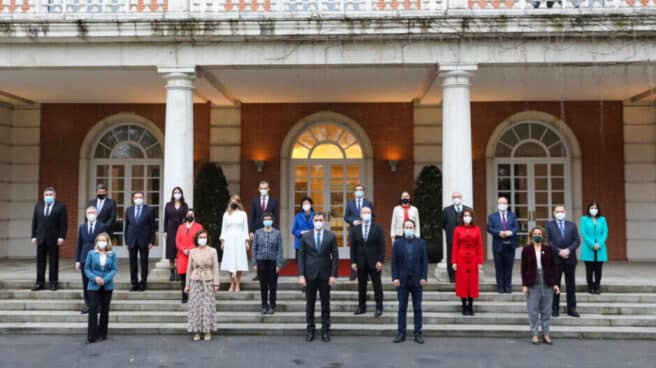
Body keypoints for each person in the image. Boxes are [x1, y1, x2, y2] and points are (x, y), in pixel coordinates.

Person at [298, 212, 338, 343]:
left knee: (325, 304)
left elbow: (335, 257)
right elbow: (301, 256)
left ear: (324, 221)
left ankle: (325, 330)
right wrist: (301, 275)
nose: (318, 222)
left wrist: (333, 275)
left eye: (320, 220)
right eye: (316, 220)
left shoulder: (331, 236)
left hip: (325, 275)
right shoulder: (306, 237)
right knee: (310, 304)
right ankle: (310, 329)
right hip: (310, 275)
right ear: (313, 221)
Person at [521, 226, 560, 345]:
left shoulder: (548, 249)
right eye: (535, 233)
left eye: (539, 233)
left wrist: (555, 284)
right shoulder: (526, 249)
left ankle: (546, 334)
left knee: (546, 310)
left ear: (543, 236)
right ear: (531, 236)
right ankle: (534, 334)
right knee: (533, 309)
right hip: (532, 280)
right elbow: (524, 268)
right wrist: (525, 285)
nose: (537, 235)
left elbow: (553, 267)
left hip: (547, 280)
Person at [391, 219, 428, 344]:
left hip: (417, 281)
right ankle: (401, 333)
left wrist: (424, 277)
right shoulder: (397, 243)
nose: (408, 229)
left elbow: (424, 262)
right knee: (402, 308)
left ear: (414, 228)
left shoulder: (421, 243)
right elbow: (394, 263)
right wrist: (395, 277)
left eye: (410, 227)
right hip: (402, 282)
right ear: (403, 229)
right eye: (406, 227)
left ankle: (418, 333)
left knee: (417, 308)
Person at [544, 205, 581, 317]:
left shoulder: (572, 225)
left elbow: (577, 240)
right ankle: (555, 309)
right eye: (557, 211)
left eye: (562, 211)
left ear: (565, 212)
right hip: (556, 259)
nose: (560, 213)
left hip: (570, 259)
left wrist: (568, 250)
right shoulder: (548, 225)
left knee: (571, 285)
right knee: (556, 284)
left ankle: (572, 309)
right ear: (553, 213)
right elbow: (548, 241)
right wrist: (559, 251)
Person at [184, 230, 220, 342]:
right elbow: (189, 269)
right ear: (197, 239)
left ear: (207, 238)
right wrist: (187, 284)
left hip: (208, 280)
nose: (202, 239)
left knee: (207, 306)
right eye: (200, 237)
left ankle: (207, 331)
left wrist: (216, 283)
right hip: (195, 280)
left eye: (204, 237)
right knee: (196, 306)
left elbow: (215, 268)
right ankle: (197, 331)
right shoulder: (192, 251)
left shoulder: (213, 251)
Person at [349, 206, 385, 317]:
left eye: (368, 212)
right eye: (364, 212)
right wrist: (353, 262)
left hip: (374, 262)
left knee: (377, 285)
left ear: (371, 214)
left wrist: (380, 261)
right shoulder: (355, 229)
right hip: (360, 262)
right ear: (360, 215)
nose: (366, 214)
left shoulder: (378, 228)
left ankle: (379, 307)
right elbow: (353, 247)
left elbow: (382, 246)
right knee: (361, 285)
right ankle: (361, 306)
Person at [31, 186, 68, 291]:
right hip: (40, 238)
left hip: (54, 238)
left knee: (53, 262)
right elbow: (35, 222)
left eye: (50, 195)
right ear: (43, 196)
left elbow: (63, 224)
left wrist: (62, 237)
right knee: (40, 262)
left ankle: (53, 282)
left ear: (54, 196)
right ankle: (39, 283)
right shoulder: (38, 206)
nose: (48, 196)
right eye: (46, 195)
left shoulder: (61, 207)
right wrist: (33, 236)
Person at [84, 232, 117, 344]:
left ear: (107, 242)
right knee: (93, 309)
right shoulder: (91, 253)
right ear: (96, 242)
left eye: (104, 240)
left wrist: (105, 279)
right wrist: (95, 278)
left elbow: (114, 269)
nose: (101, 242)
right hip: (93, 285)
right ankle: (92, 335)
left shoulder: (112, 254)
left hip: (107, 286)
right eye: (99, 240)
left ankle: (102, 334)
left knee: (104, 310)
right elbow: (87, 269)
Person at [75, 206, 108, 314]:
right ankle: (88, 305)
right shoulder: (82, 227)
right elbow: (79, 244)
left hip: (98, 259)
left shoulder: (102, 226)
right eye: (89, 212)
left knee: (98, 282)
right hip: (84, 259)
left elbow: (106, 244)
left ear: (97, 214)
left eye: (93, 212)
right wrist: (77, 261)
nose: (91, 214)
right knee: (86, 284)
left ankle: (98, 305)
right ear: (86, 214)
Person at [452, 209, 483, 316]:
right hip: (461, 259)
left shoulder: (477, 229)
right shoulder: (457, 229)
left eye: (469, 215)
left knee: (472, 283)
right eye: (465, 215)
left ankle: (470, 305)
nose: (467, 217)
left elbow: (479, 246)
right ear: (462, 217)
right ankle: (464, 306)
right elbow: (455, 246)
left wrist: (480, 261)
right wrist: (454, 261)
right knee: (462, 283)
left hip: (473, 259)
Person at [124, 192, 156, 292]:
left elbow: (152, 226)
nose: (138, 199)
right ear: (133, 199)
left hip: (144, 240)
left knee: (144, 263)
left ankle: (143, 283)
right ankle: (134, 283)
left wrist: (151, 241)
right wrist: (126, 241)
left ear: (143, 198)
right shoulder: (129, 210)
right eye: (136, 197)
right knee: (132, 263)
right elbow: (127, 226)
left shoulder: (149, 210)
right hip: (131, 240)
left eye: (140, 197)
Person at [486, 196, 520, 293]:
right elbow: (489, 228)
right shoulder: (492, 216)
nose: (502, 205)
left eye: (504, 203)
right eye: (500, 203)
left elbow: (517, 227)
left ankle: (508, 286)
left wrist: (511, 232)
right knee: (499, 266)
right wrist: (499, 233)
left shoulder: (512, 215)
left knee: (509, 267)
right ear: (497, 205)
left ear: (507, 205)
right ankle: (500, 286)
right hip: (498, 245)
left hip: (510, 245)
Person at [252, 212, 283, 315]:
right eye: (265, 219)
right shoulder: (258, 232)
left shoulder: (277, 233)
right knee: (263, 285)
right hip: (261, 261)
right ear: (263, 221)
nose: (267, 221)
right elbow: (254, 248)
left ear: (272, 221)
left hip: (273, 261)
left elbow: (280, 249)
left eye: (269, 219)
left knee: (273, 285)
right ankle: (264, 305)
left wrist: (279, 264)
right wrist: (254, 263)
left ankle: (272, 305)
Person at [249, 180, 280, 282]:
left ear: (269, 189)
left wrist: (275, 229)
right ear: (258, 189)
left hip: (271, 229)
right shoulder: (255, 201)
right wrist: (251, 231)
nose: (263, 190)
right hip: (258, 230)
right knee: (258, 251)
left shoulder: (274, 201)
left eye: (265, 188)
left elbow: (276, 216)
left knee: (271, 250)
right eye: (261, 188)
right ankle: (259, 274)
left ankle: (272, 272)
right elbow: (252, 217)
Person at [344, 184, 375, 281]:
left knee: (367, 250)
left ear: (363, 191)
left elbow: (373, 216)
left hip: (366, 230)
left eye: (360, 189)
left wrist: (365, 221)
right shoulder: (350, 204)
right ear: (354, 192)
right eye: (357, 189)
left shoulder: (368, 203)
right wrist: (353, 221)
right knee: (354, 251)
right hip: (354, 230)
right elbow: (346, 217)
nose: (359, 191)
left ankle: (368, 273)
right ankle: (353, 273)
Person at [220, 195, 250, 293]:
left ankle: (237, 283)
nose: (234, 203)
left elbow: (245, 228)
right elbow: (223, 229)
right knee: (230, 261)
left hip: (240, 239)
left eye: (236, 201)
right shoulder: (226, 214)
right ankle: (231, 283)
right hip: (229, 239)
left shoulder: (243, 214)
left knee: (239, 261)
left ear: (239, 202)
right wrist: (223, 241)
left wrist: (246, 241)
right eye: (232, 201)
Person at [441, 192, 471, 283]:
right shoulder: (446, 210)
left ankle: (464, 275)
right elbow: (443, 224)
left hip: (465, 239)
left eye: (458, 197)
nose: (456, 199)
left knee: (464, 257)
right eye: (454, 197)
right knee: (451, 257)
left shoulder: (468, 209)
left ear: (461, 198)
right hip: (451, 238)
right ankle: (452, 277)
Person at [580, 201, 608, 295]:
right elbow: (584, 233)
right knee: (589, 269)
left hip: (600, 248)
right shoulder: (584, 219)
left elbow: (605, 233)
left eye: (595, 208)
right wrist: (592, 244)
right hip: (588, 248)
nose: (593, 210)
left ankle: (597, 286)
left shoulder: (602, 219)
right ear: (588, 209)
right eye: (592, 208)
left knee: (598, 269)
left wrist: (599, 244)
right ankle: (590, 287)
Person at [176, 208, 203, 304]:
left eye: (192, 214)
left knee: (194, 277)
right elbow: (177, 240)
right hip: (182, 255)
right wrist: (183, 249)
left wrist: (190, 249)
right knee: (183, 278)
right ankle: (184, 297)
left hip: (194, 254)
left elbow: (199, 239)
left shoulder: (199, 227)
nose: (190, 215)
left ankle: (194, 297)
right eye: (188, 214)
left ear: (194, 216)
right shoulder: (181, 227)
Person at [164, 187, 189, 282]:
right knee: (171, 252)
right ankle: (172, 272)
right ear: (173, 194)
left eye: (179, 192)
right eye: (175, 192)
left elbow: (187, 218)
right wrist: (165, 231)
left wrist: (187, 229)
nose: (177, 193)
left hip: (181, 229)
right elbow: (165, 218)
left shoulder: (184, 205)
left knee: (179, 251)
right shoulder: (168, 205)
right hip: (170, 229)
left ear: (181, 194)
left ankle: (179, 272)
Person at [291, 197, 315, 273]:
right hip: (300, 243)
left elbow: (319, 227)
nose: (306, 205)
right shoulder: (298, 216)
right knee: (301, 263)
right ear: (301, 205)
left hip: (312, 243)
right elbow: (294, 230)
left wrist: (310, 232)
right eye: (304, 204)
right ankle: (302, 276)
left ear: (311, 205)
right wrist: (301, 232)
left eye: (308, 203)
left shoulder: (315, 215)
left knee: (312, 263)